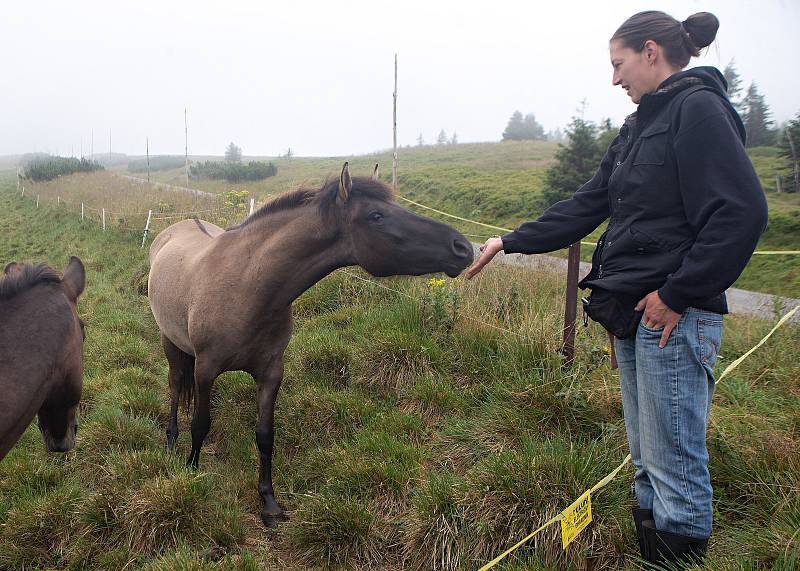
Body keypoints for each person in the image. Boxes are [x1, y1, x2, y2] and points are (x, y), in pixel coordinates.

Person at [466, 10, 768, 566]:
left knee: (674, 463)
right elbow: (590, 203)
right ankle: (653, 556)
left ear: (651, 51)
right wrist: (508, 241)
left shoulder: (698, 110)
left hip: (673, 317)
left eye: (618, 63)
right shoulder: (638, 126)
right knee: (645, 460)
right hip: (635, 315)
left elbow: (742, 212)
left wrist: (677, 294)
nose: (613, 79)